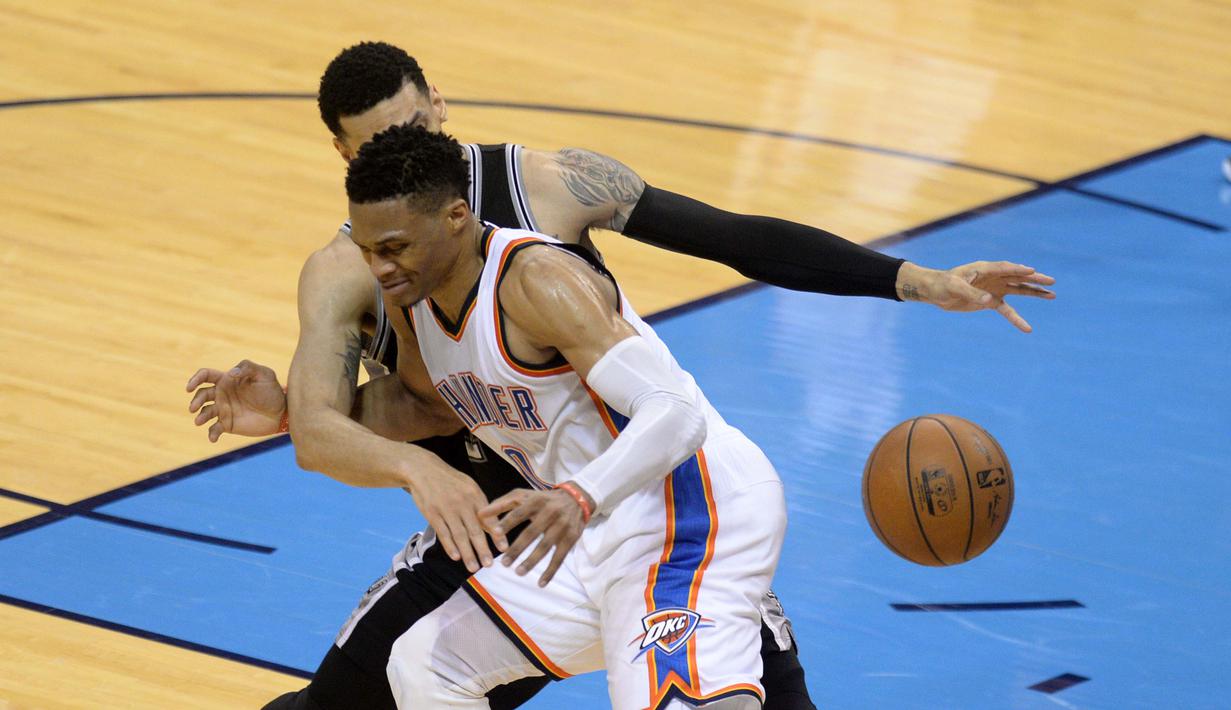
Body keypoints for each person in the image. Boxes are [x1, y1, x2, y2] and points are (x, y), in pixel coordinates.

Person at [185, 42, 1054, 710]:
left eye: (412, 136)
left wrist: (912, 281)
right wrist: (301, 414)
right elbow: (397, 408)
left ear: (439, 112)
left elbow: (732, 238)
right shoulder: (361, 267)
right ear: (342, 156)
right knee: (402, 675)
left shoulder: (543, 209)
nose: (398, 162)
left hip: (636, 490)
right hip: (505, 520)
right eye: (374, 153)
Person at [347, 123, 787, 708]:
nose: (378, 269)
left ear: (456, 217)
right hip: (588, 532)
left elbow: (677, 413)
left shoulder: (536, 281)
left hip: (686, 512)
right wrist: (292, 412)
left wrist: (579, 494)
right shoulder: (416, 301)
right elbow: (420, 407)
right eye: (368, 250)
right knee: (426, 665)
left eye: (394, 247)